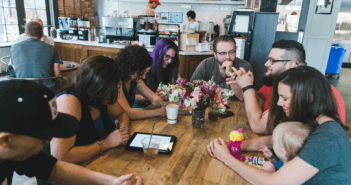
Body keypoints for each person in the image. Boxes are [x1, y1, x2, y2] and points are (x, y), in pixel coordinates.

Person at [207, 66, 351, 184]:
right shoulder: (315, 120)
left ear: (308, 98)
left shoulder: (327, 137)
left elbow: (275, 182)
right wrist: (234, 145)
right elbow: (271, 140)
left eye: (284, 98)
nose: (278, 103)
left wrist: (226, 158)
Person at [0, 80, 143, 185]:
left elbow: (54, 169)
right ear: (4, 141)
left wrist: (113, 181)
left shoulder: (18, 151)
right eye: (43, 138)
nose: (47, 143)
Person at [226, 40, 346, 133]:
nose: (266, 64)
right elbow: (256, 104)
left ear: (291, 64)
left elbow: (258, 127)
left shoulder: (300, 89)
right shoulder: (278, 80)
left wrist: (247, 87)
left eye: (273, 60)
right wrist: (240, 85)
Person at [50, 55, 130, 164]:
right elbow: (60, 156)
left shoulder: (101, 97)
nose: (114, 94)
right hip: (63, 173)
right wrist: (107, 143)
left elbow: (121, 114)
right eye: (111, 89)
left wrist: (123, 129)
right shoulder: (68, 102)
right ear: (97, 87)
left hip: (94, 161)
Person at [190, 35, 252, 101]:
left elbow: (243, 98)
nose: (228, 57)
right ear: (215, 55)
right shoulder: (206, 64)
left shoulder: (244, 66)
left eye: (231, 52)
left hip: (237, 107)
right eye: (222, 53)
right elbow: (191, 90)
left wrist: (230, 74)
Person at [115, 45, 166, 120]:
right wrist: (158, 112)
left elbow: (153, 97)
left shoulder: (134, 78)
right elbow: (128, 113)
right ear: (131, 68)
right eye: (142, 72)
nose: (144, 77)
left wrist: (162, 104)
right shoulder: (117, 82)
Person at [11, 21, 60, 91]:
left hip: (23, 88)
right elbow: (56, 74)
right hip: (47, 89)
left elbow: (15, 68)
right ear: (42, 34)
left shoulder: (14, 47)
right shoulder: (51, 48)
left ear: (25, 33)